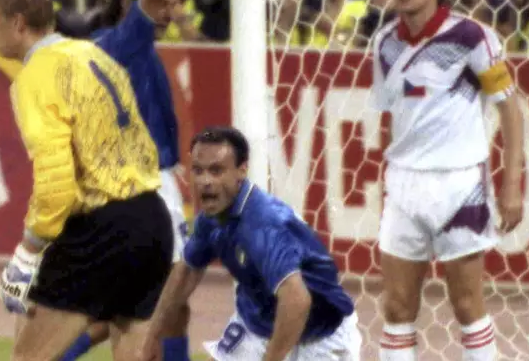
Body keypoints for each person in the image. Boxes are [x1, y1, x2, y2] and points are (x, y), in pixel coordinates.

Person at [0, 0, 174, 360]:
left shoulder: (36, 75)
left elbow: (56, 184)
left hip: (102, 228)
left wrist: (27, 251)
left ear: (17, 23)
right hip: (152, 220)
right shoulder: (90, 54)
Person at [369, 0, 524, 360]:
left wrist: (511, 184)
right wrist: (389, 177)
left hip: (459, 185)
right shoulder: (383, 42)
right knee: (397, 308)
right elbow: (392, 116)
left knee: (467, 304)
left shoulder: (473, 37)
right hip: (403, 185)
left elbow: (510, 109)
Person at [139, 126, 362, 361]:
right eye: (198, 170)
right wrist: (152, 336)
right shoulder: (211, 217)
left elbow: (297, 299)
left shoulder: (262, 224)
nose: (205, 181)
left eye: (216, 171)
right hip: (258, 321)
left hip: (321, 333)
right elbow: (185, 272)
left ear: (241, 171)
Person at [61, 0, 192, 360]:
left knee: (166, 307)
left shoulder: (130, 48)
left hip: (149, 184)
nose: (173, 12)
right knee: (154, 308)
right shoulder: (125, 43)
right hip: (141, 191)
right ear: (130, 4)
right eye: (166, 3)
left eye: (176, 2)